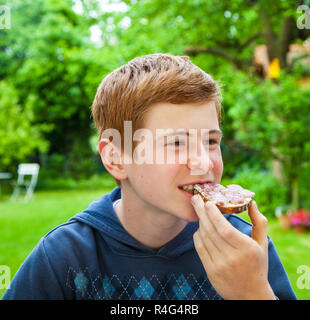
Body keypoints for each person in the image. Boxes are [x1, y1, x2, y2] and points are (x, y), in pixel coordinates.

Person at [2, 53, 296, 300]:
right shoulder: (64, 258)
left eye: (210, 141)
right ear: (116, 158)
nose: (203, 162)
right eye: (177, 143)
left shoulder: (244, 249)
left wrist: (254, 292)